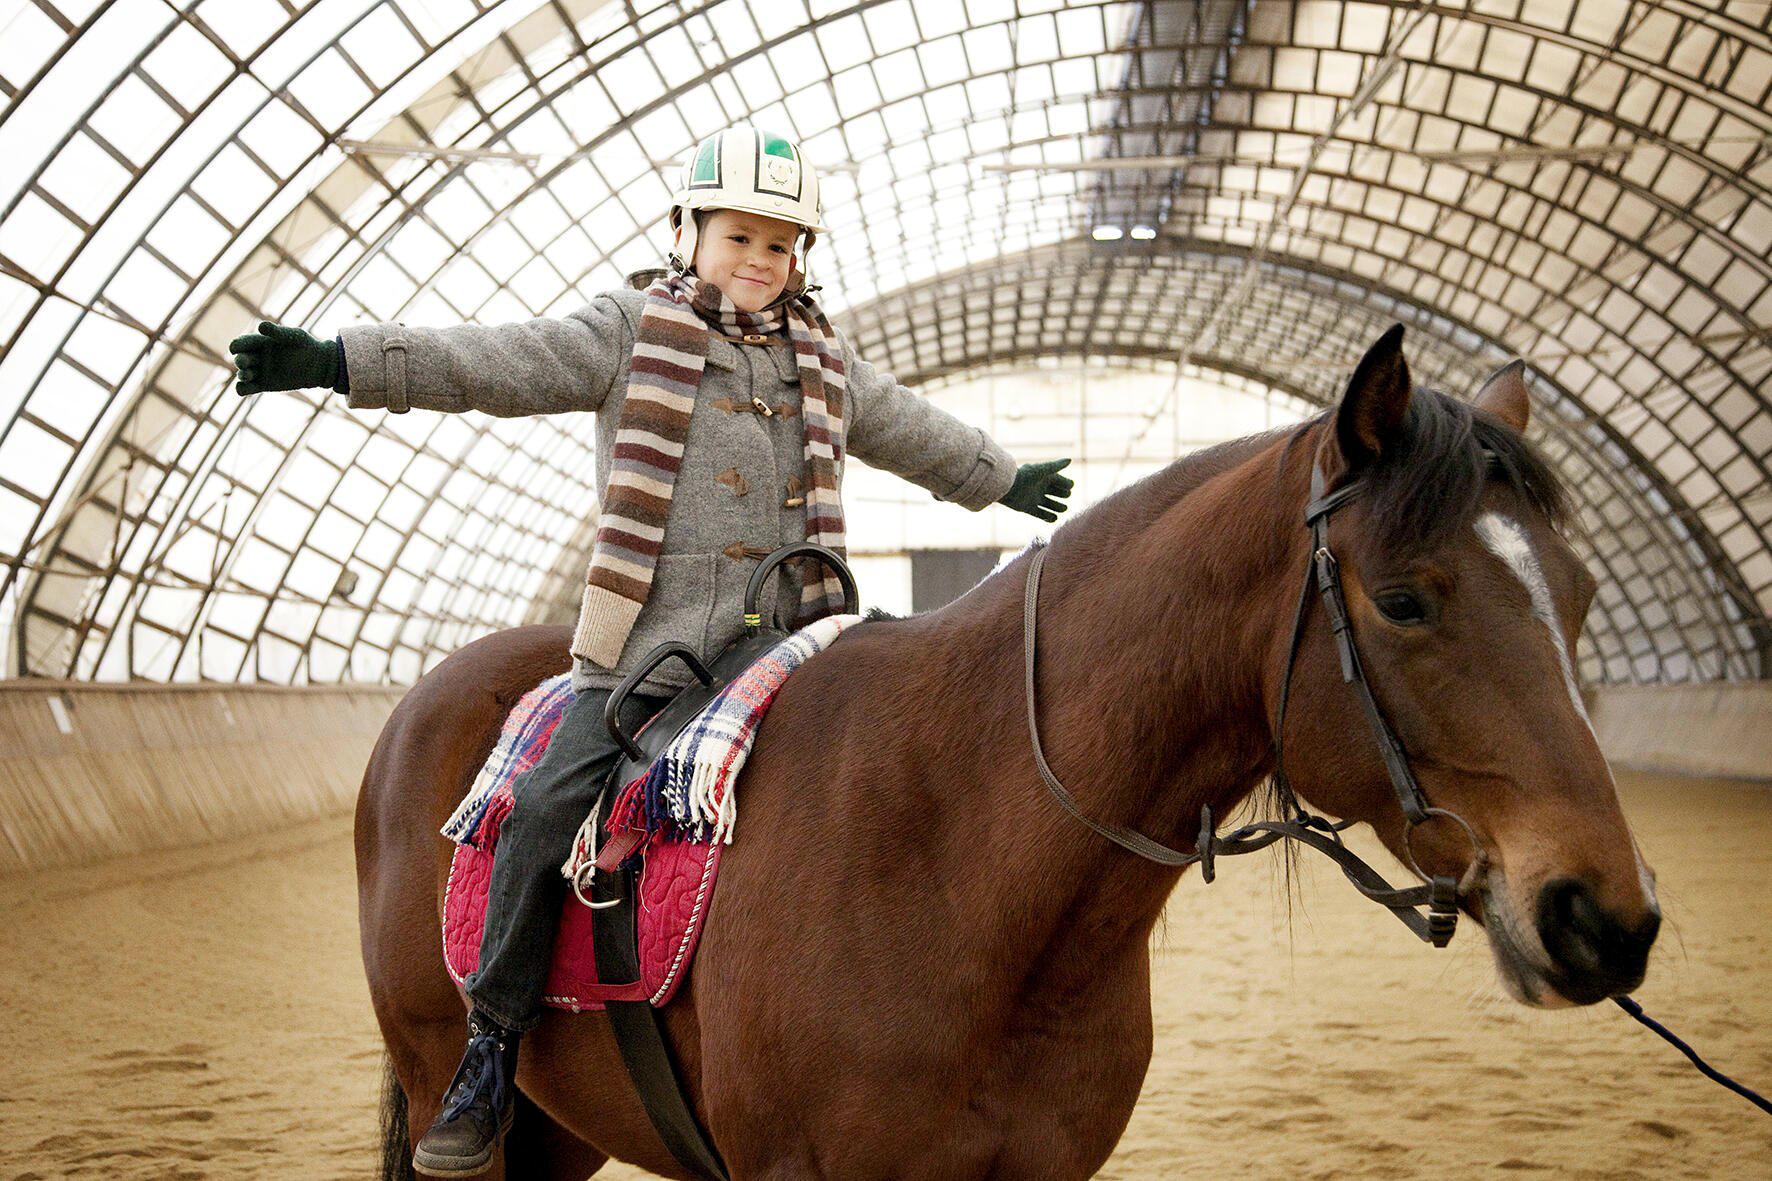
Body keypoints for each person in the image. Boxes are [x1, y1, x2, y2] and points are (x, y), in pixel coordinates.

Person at [229, 125, 1073, 1175]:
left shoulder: (821, 356)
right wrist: (341, 359)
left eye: (779, 243)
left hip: (799, 645)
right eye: (738, 236)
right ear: (688, 232)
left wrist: (1001, 477)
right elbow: (499, 361)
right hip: (644, 658)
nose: (759, 260)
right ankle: (490, 1051)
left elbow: (906, 427)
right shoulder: (630, 330)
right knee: (543, 811)